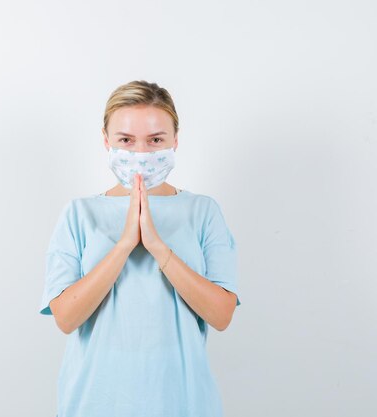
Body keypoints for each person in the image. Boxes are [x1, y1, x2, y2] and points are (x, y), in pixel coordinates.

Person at [38, 80, 241, 417]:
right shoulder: (79, 214)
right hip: (95, 402)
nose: (141, 154)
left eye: (156, 140)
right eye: (126, 140)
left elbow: (221, 315)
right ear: (106, 140)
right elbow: (66, 318)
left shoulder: (203, 212)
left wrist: (158, 247)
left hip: (182, 402)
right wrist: (125, 245)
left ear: (175, 140)